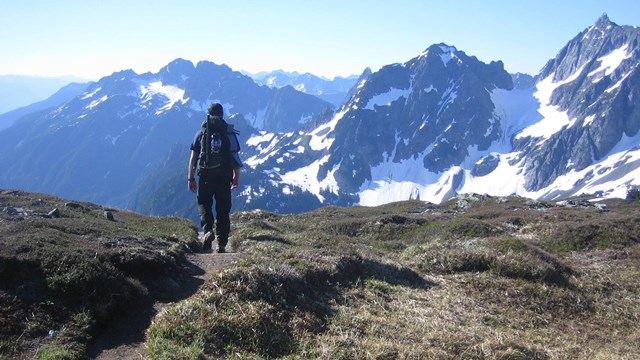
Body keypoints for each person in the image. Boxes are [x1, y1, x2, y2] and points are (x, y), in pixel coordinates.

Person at [188, 103, 242, 253]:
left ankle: (207, 231)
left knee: (204, 204)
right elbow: (235, 158)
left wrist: (191, 179)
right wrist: (236, 177)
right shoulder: (229, 134)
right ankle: (222, 244)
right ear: (222, 115)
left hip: (205, 176)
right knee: (223, 210)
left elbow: (193, 158)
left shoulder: (201, 133)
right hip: (224, 177)